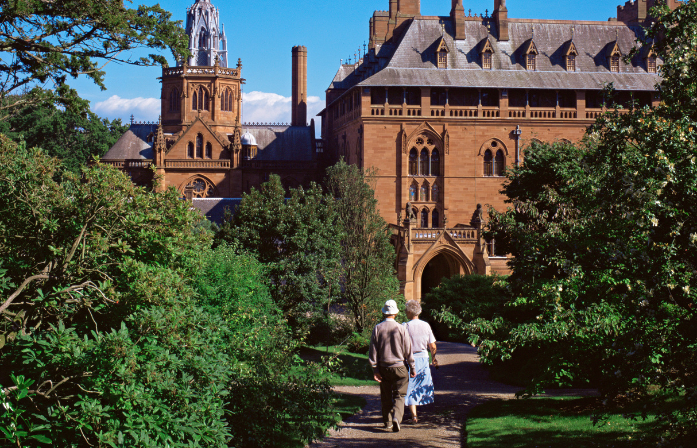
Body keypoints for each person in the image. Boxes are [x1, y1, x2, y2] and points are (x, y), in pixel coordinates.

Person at [369, 299, 416, 432]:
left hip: (384, 367)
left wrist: (375, 369)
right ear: (395, 314)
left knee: (385, 395)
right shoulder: (401, 328)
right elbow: (408, 350)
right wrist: (412, 367)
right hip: (399, 367)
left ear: (384, 313)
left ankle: (387, 421)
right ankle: (397, 417)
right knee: (399, 395)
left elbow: (373, 351)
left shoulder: (377, 328)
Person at [403, 300, 437, 424]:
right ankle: (417, 411)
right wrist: (433, 358)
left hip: (410, 359)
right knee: (421, 385)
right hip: (423, 358)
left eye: (406, 310)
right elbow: (432, 346)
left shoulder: (405, 326)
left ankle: (414, 415)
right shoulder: (425, 325)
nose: (405, 312)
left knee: (410, 386)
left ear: (410, 312)